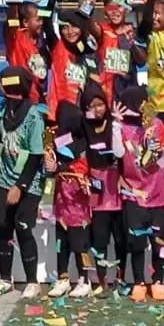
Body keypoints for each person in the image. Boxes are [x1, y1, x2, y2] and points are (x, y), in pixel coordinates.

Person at [115, 82, 164, 302]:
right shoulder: (122, 129)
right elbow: (118, 155)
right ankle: (139, 280)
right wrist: (115, 123)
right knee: (136, 242)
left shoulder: (157, 125)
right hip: (133, 194)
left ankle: (158, 280)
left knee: (159, 241)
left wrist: (161, 152)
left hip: (158, 193)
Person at [0, 66, 48, 298]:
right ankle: (5, 278)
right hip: (5, 179)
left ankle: (32, 280)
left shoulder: (34, 116)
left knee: (23, 228)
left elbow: (36, 156)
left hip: (29, 182)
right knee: (4, 228)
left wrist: (20, 186)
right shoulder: (3, 109)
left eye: (3, 83)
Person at [81, 81, 127, 294]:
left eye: (100, 104)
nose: (97, 110)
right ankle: (101, 281)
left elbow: (119, 153)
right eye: (91, 106)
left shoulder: (113, 124)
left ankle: (121, 276)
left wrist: (116, 125)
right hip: (96, 190)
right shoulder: (83, 126)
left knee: (120, 238)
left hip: (115, 185)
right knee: (99, 239)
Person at [48, 98, 96, 299]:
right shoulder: (59, 139)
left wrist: (59, 167)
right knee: (62, 243)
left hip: (79, 204)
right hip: (61, 202)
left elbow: (81, 168)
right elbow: (54, 166)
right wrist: (50, 163)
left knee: (80, 244)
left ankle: (85, 280)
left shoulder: (84, 143)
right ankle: (63, 279)